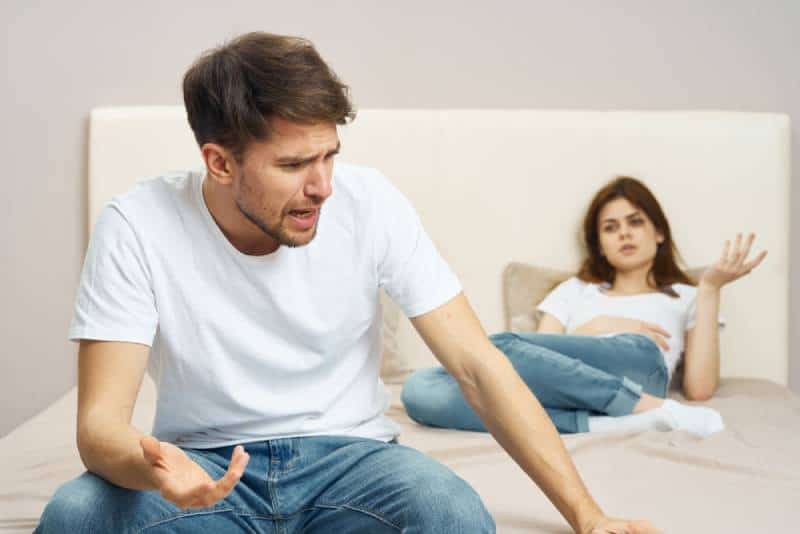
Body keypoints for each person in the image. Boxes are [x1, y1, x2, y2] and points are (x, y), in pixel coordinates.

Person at [35, 33, 658, 534]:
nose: (323, 186)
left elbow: (477, 366)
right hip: (208, 467)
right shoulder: (137, 224)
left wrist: (588, 515)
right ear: (220, 162)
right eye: (293, 164)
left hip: (354, 463)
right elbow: (100, 429)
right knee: (76, 515)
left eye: (329, 154)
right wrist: (158, 470)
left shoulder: (371, 202)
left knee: (453, 514)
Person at [402, 176, 767, 437]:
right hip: (565, 385)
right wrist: (596, 325)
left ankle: (648, 405)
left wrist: (710, 288)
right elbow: (533, 359)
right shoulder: (573, 291)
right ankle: (603, 422)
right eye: (611, 228)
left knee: (499, 346)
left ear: (659, 233)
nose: (624, 233)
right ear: (600, 245)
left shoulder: (686, 296)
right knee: (419, 391)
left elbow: (700, 389)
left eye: (635, 222)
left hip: (638, 365)